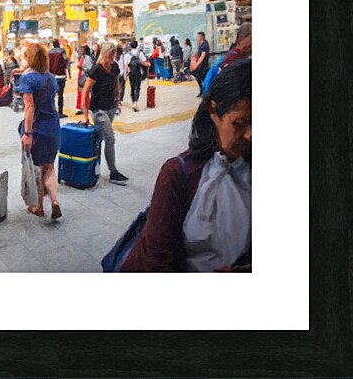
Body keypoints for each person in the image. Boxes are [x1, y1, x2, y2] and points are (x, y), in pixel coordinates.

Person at [121, 59, 251, 272]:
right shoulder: (178, 174)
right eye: (240, 124)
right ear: (213, 111)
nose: (250, 135)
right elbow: (155, 261)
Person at [17, 43, 62, 221]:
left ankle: (39, 207)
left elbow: (29, 107)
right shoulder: (51, 78)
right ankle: (55, 201)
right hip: (54, 126)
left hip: (38, 128)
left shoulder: (27, 79)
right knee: (49, 166)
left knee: (38, 168)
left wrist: (27, 134)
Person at [81, 41, 129, 186]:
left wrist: (117, 100)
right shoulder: (96, 69)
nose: (112, 58)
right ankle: (113, 172)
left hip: (110, 108)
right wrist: (84, 114)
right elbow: (85, 93)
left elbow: (116, 83)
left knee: (100, 139)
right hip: (98, 110)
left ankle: (92, 168)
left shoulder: (113, 67)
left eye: (114, 55)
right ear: (105, 54)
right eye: (110, 55)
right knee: (110, 138)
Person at [126, 39, 150, 112]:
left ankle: (133, 101)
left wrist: (125, 74)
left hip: (131, 73)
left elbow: (126, 65)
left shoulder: (127, 54)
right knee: (137, 87)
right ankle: (136, 102)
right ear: (137, 46)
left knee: (132, 87)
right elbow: (145, 63)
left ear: (130, 46)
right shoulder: (140, 54)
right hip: (138, 72)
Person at [47, 39, 69, 118]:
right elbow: (66, 61)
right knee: (60, 94)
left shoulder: (49, 52)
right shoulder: (62, 51)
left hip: (52, 76)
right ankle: (60, 112)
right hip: (61, 75)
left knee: (52, 94)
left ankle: (52, 111)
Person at [74, 45, 94, 115]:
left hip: (85, 76)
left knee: (84, 92)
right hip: (81, 75)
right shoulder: (83, 57)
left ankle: (85, 107)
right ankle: (82, 107)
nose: (81, 50)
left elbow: (90, 68)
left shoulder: (88, 58)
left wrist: (82, 68)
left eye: (83, 49)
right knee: (80, 92)